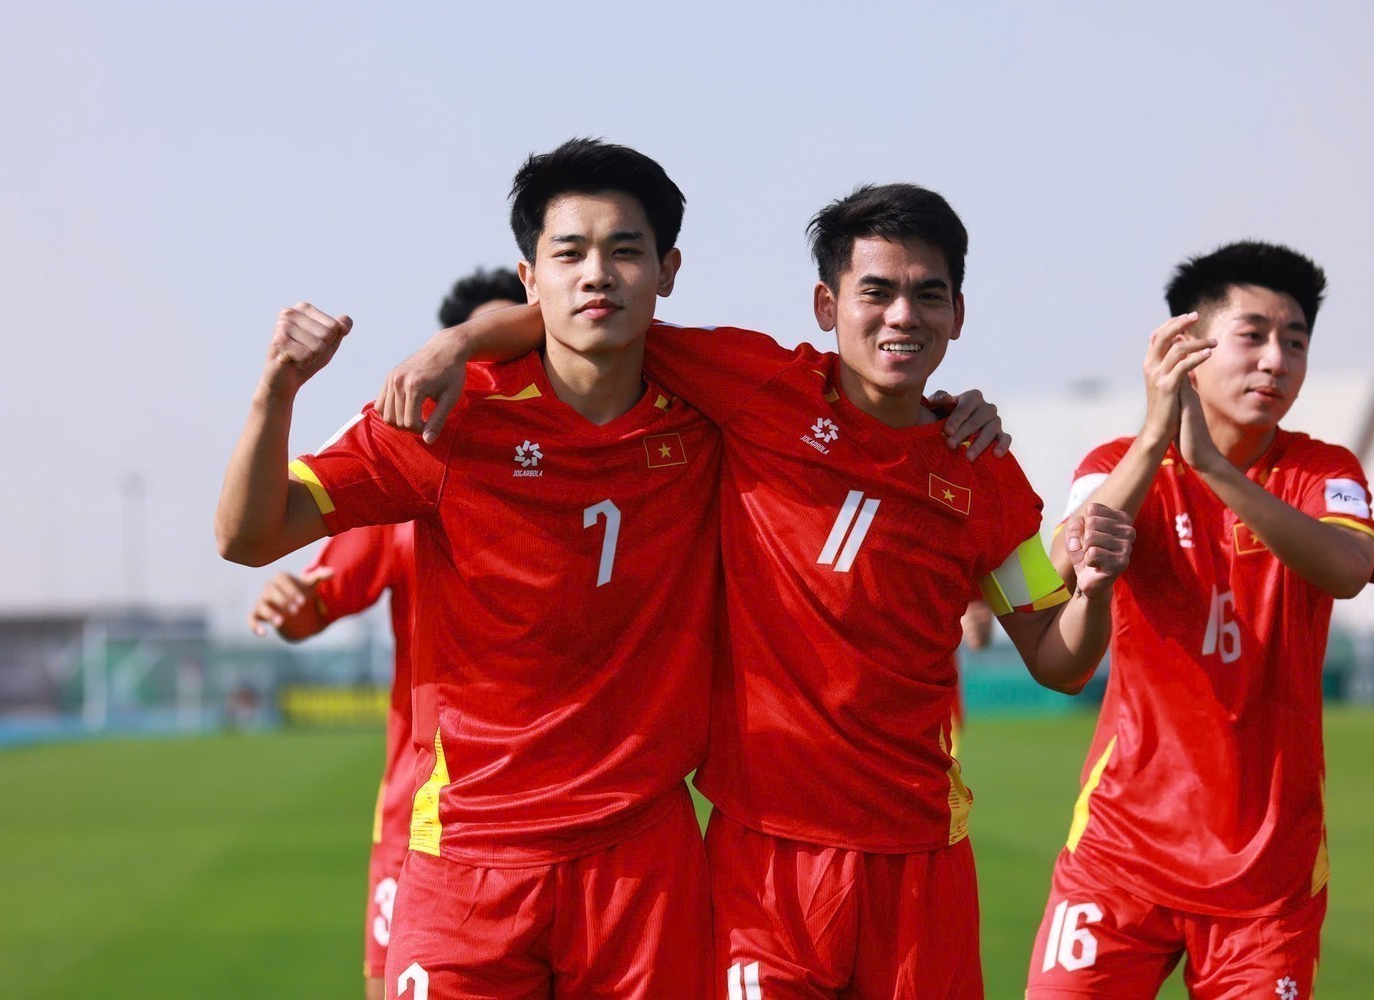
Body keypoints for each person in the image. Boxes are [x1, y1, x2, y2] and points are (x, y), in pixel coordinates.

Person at [384, 182, 1135, 998]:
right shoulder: (758, 388)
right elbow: (595, 316)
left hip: (920, 856)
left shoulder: (985, 472)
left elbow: (1057, 658)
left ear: (958, 314)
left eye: (929, 296)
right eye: (876, 292)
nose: (902, 317)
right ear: (826, 304)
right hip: (764, 858)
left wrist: (1093, 592)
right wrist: (458, 342)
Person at [218, 138, 728, 998]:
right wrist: (277, 389)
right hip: (470, 855)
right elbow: (248, 536)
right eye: (569, 253)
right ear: (530, 277)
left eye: (624, 250)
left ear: (667, 271)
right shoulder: (448, 418)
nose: (596, 274)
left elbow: (870, 397)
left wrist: (953, 416)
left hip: (642, 862)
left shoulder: (716, 412)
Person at [1024, 242, 1374, 999]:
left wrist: (1214, 468)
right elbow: (1061, 563)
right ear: (1188, 349)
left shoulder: (1323, 472)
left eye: (1295, 342)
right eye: (1253, 336)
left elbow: (1351, 569)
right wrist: (1158, 438)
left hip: (1268, 875)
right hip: (1120, 854)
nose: (1276, 361)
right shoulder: (1120, 461)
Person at [246, 268, 526, 1000]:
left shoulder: (588, 465)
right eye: (484, 344)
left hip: (561, 823)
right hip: (427, 812)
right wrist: (290, 603)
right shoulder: (414, 474)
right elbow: (316, 599)